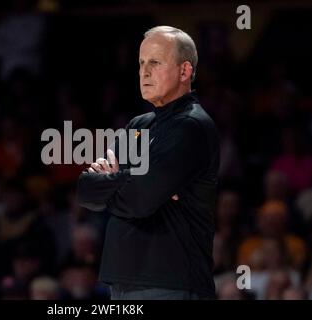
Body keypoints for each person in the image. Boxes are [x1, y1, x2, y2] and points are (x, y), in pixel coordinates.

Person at [77, 26, 220, 300]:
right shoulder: (138, 126)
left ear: (184, 71)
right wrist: (133, 179)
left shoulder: (191, 126)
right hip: (123, 281)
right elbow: (86, 192)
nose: (144, 72)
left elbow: (140, 201)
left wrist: (117, 179)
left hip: (171, 282)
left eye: (155, 62)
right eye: (141, 63)